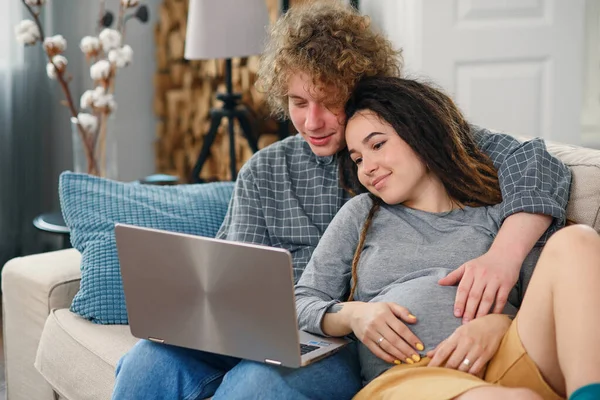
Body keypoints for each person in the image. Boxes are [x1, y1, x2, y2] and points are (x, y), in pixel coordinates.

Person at [111, 1, 571, 399]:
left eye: (328, 101)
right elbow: (229, 277)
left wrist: (503, 259)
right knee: (146, 362)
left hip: (344, 345)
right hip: (268, 330)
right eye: (297, 102)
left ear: (364, 90)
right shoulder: (265, 172)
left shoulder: (407, 147)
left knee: (259, 385)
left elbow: (538, 163)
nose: (312, 122)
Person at [295, 75, 600, 400]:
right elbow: (301, 301)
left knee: (576, 241)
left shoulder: (501, 216)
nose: (367, 167)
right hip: (409, 378)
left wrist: (498, 324)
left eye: (378, 145)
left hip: (504, 359)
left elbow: (541, 303)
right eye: (357, 158)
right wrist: (354, 314)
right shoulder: (363, 214)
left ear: (421, 135)